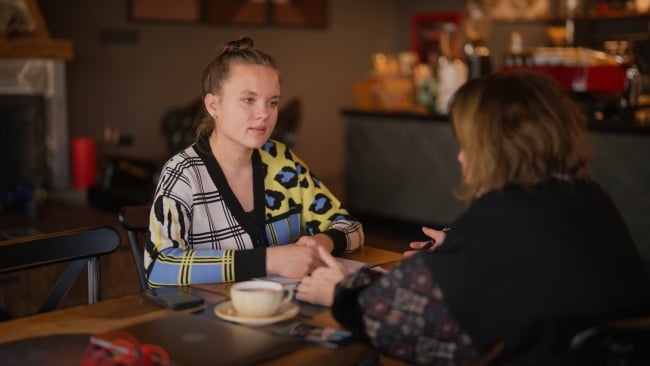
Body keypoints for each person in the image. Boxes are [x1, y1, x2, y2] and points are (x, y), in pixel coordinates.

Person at [296, 70, 650, 364]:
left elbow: (402, 326)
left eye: (466, 145)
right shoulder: (587, 194)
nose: (461, 158)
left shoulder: (500, 218)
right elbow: (546, 265)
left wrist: (339, 292)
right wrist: (462, 250)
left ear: (494, 148)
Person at [146, 36, 363, 286]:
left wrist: (323, 242)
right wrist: (268, 260)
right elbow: (159, 266)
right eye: (248, 100)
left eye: (272, 102)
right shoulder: (183, 174)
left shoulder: (282, 161)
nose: (264, 114)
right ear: (213, 105)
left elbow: (351, 227)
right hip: (206, 317)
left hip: (281, 313)